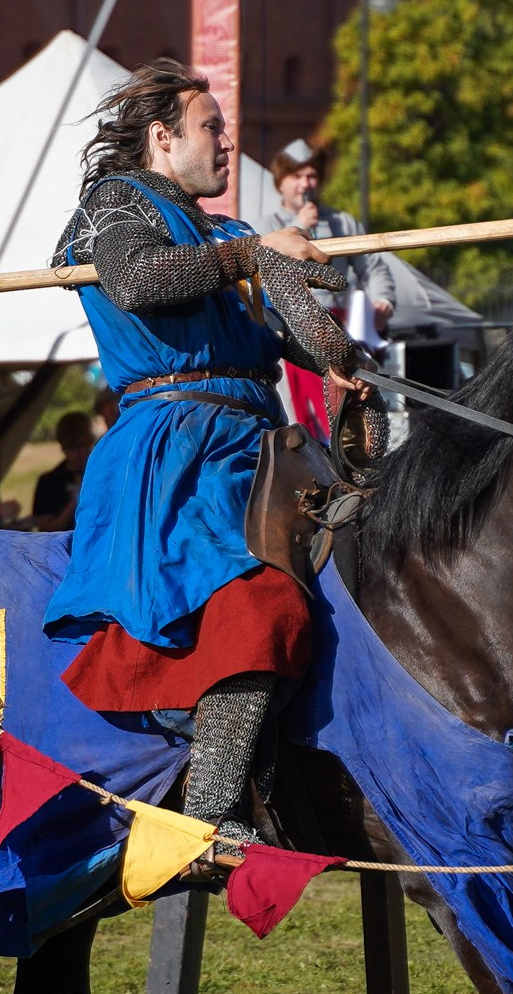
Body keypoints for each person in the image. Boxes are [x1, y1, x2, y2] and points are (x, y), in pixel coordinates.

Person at [44, 58, 380, 852]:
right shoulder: (116, 203)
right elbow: (136, 281)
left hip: (267, 449)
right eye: (212, 128)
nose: (228, 143)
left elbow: (309, 334)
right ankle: (209, 810)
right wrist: (256, 254)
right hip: (178, 447)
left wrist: (337, 349)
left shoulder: (233, 234)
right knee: (255, 608)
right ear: (162, 138)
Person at [263, 138, 395, 334]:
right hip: (289, 328)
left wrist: (382, 300)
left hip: (340, 326)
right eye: (296, 177)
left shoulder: (343, 222)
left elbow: (372, 266)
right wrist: (300, 225)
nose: (305, 184)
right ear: (280, 183)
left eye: (311, 176)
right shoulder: (266, 226)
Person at [29, 409, 94, 532]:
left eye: (84, 446)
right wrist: (73, 504)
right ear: (63, 447)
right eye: (72, 448)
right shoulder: (49, 482)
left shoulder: (101, 474)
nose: (80, 453)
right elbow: (46, 529)